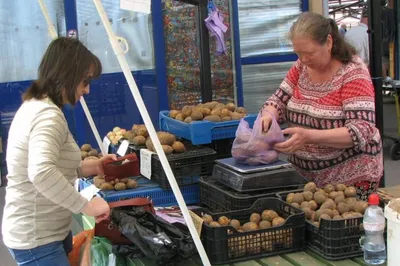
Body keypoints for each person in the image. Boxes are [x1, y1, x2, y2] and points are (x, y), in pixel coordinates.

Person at [2, 37, 114, 266]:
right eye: (85, 81)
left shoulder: (38, 106)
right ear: (66, 74)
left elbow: (53, 166)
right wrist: (87, 206)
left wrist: (95, 166)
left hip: (46, 232)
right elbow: (41, 173)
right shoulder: (47, 116)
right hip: (37, 240)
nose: (87, 89)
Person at [261, 12, 383, 199]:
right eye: (298, 53)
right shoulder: (301, 67)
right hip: (307, 179)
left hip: (351, 182)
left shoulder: (353, 74)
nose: (303, 59)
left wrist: (309, 136)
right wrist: (269, 115)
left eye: (309, 53)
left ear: (328, 42)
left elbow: (362, 130)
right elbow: (278, 99)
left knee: (348, 224)